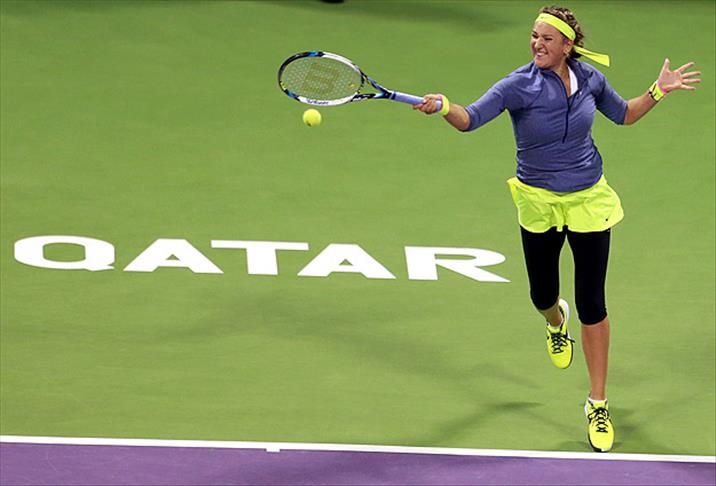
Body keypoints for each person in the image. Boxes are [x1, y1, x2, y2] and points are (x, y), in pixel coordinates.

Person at [414, 5, 701, 452]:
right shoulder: (517, 85)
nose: (537, 44)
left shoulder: (590, 80)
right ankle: (554, 320)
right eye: (534, 36)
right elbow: (471, 119)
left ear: (568, 45)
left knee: (593, 303)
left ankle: (597, 402)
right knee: (542, 295)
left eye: (546, 39)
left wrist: (658, 90)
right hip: (539, 202)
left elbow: (624, 115)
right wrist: (444, 106)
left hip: (588, 200)